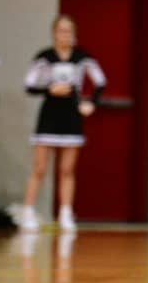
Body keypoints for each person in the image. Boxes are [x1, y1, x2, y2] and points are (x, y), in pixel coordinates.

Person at [19, 16, 106, 233]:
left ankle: (66, 213)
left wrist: (91, 103)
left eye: (69, 31)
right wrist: (49, 89)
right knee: (39, 168)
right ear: (54, 33)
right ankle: (27, 211)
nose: (65, 35)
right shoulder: (45, 57)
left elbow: (100, 81)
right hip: (49, 115)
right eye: (61, 30)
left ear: (74, 34)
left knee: (67, 169)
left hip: (71, 115)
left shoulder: (83, 57)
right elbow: (28, 85)